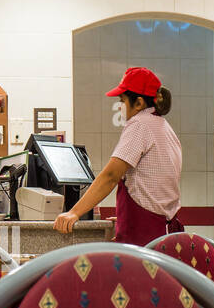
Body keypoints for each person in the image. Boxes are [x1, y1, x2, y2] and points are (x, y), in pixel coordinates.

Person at [53, 66, 183, 245]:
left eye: (122, 100)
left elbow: (111, 176)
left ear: (138, 103)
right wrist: (127, 219)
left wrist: (74, 212)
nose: (120, 106)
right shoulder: (164, 127)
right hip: (164, 230)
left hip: (145, 235)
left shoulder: (139, 124)